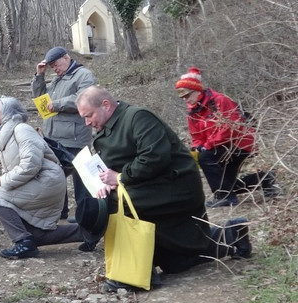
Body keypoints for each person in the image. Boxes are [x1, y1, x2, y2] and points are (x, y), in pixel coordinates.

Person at [75, 85, 251, 288]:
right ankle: (233, 233)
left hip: (175, 185)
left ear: (105, 105)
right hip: (147, 185)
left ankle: (134, 274)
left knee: (116, 205)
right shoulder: (104, 127)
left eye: (89, 116)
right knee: (176, 262)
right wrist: (104, 181)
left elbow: (154, 158)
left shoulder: (138, 118)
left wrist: (121, 177)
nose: (87, 122)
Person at [0, 96, 84, 258]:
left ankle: (23, 242)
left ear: (7, 114)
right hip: (36, 180)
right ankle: (85, 232)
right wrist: (2, 179)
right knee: (37, 234)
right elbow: (11, 167)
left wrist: (5, 181)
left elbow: (31, 164)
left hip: (47, 180)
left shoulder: (21, 129)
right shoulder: (2, 134)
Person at [175, 67, 275, 207]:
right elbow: (197, 136)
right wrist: (197, 147)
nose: (186, 99)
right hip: (220, 146)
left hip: (240, 143)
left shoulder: (219, 100)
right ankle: (265, 179)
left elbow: (230, 128)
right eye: (183, 97)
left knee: (206, 157)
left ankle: (224, 196)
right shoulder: (193, 113)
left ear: (197, 90)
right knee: (229, 185)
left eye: (187, 95)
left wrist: (207, 146)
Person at [31, 45, 99, 250]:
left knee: (82, 181)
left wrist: (57, 104)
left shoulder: (83, 75)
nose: (55, 69)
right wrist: (39, 76)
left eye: (56, 64)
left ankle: (84, 219)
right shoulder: (57, 79)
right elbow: (40, 98)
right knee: (55, 176)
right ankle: (60, 212)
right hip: (54, 136)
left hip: (75, 137)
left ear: (66, 58)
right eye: (51, 66)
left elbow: (85, 99)